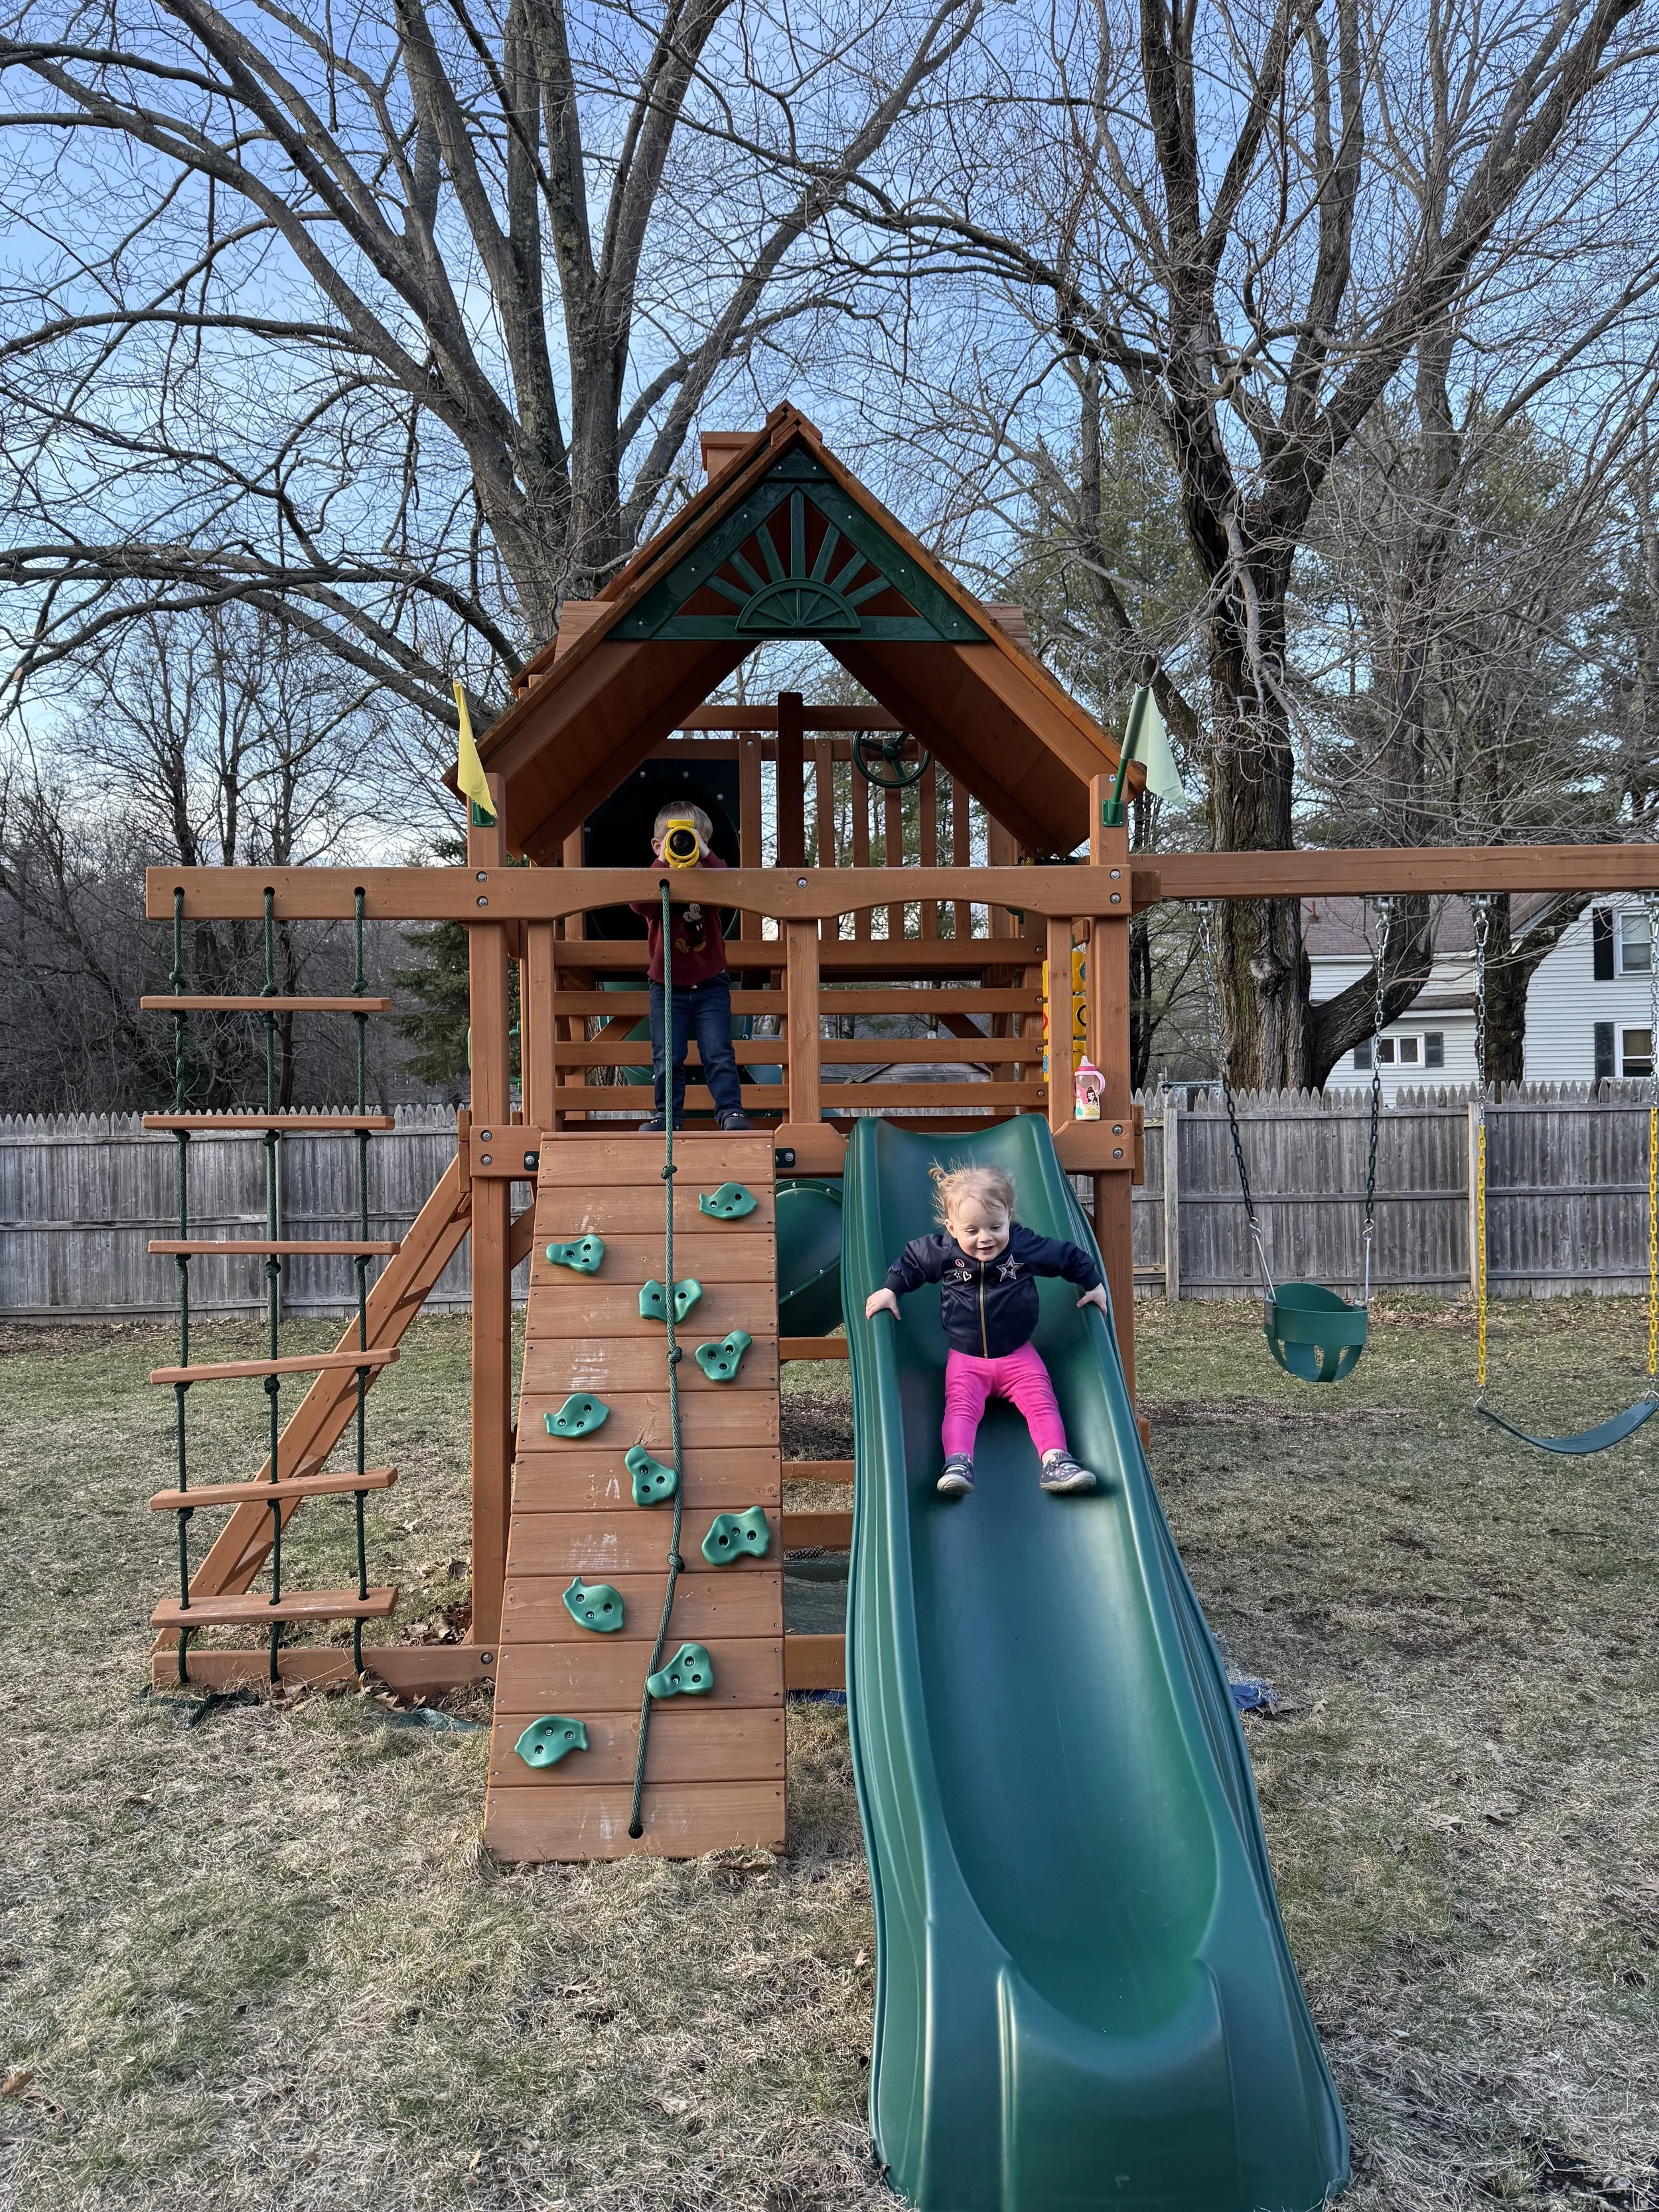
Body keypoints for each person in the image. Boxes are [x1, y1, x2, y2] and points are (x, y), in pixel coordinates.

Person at [864, 1162, 1107, 1496]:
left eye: (995, 1226)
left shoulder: (1022, 1247)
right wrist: (892, 1289)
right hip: (966, 1359)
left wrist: (1093, 1283)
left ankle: (1056, 1461)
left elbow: (1065, 1256)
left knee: (1042, 1402)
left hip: (1018, 1355)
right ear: (952, 1227)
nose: (985, 1238)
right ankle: (958, 1463)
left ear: (1009, 1216)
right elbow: (913, 1262)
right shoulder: (944, 1252)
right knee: (960, 1408)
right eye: (972, 1230)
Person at [630, 802, 753, 1134]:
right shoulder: (658, 881)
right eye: (675, 839)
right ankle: (668, 1117)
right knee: (667, 1057)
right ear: (658, 845)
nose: (682, 845)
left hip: (711, 983)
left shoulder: (710, 880)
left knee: (718, 1053)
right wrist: (664, 862)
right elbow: (638, 903)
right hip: (668, 987)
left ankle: (730, 1110)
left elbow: (730, 889)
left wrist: (704, 856)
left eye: (691, 840)